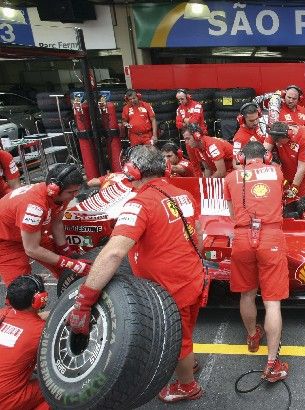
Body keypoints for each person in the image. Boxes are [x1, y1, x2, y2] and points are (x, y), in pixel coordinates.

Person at [66, 145, 205, 403]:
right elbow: (199, 237)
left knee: (179, 338)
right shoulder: (184, 195)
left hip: (169, 288)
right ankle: (190, 364)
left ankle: (187, 386)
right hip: (192, 277)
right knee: (186, 329)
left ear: (131, 172)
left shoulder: (138, 205)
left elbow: (112, 254)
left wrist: (84, 300)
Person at [223, 141, 289, 382]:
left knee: (247, 294)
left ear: (242, 158)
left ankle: (252, 335)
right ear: (267, 157)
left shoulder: (231, 178)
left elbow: (231, 214)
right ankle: (272, 364)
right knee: (272, 303)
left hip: (242, 237)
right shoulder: (276, 171)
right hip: (270, 236)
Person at [0, 164, 89, 287]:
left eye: (76, 191)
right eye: (71, 192)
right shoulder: (34, 207)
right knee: (23, 292)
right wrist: (69, 263)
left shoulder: (61, 195)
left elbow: (56, 222)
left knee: (67, 271)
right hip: (6, 241)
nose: (74, 195)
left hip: (34, 232)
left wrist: (65, 251)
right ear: (54, 189)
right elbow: (32, 249)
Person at [0, 275, 49, 410]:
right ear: (39, 299)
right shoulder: (40, 331)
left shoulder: (4, 313)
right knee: (58, 388)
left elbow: (27, 321)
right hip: (7, 401)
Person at [264, 121, 305, 197]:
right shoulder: (275, 131)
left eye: (279, 142)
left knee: (301, 199)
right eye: (275, 142)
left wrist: (294, 188)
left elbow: (301, 168)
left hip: (304, 174)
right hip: (286, 170)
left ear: (288, 136)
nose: (277, 144)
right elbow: (263, 152)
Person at [176, 89, 207, 176]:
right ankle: (198, 180)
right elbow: (177, 124)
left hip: (200, 137)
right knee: (194, 162)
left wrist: (183, 120)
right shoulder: (179, 109)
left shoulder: (197, 105)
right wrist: (187, 120)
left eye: (182, 99)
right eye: (179, 100)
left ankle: (209, 179)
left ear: (188, 97)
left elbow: (194, 121)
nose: (180, 101)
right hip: (188, 138)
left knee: (206, 160)